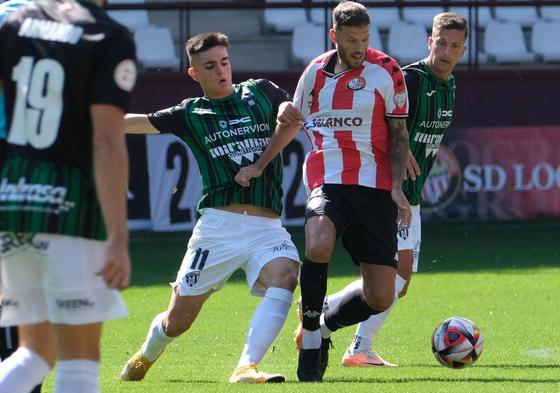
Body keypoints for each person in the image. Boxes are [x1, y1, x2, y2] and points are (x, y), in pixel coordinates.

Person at [235, 1, 411, 382]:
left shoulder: (387, 71)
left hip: (374, 187)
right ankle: (311, 337)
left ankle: (326, 323)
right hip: (327, 178)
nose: (360, 46)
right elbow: (292, 122)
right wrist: (260, 164)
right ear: (334, 36)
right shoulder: (314, 72)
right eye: (351, 39)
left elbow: (398, 133)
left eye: (365, 38)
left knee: (382, 295)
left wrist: (397, 188)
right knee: (317, 243)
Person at [118, 32, 301, 384]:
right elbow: (136, 122)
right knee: (178, 321)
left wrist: (283, 108)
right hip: (217, 228)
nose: (221, 71)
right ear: (194, 74)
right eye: (210, 66)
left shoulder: (261, 91)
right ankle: (146, 354)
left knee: (287, 275)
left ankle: (246, 366)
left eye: (225, 63)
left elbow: (287, 113)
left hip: (267, 225)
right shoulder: (190, 113)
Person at [0, 0, 136, 391]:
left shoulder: (16, 22)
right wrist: (119, 239)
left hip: (15, 202)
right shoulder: (108, 35)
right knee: (79, 365)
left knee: (35, 353)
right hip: (70, 208)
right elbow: (106, 141)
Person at [323, 12, 468, 368]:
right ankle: (348, 337)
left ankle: (332, 318)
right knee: (395, 276)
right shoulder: (410, 80)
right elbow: (375, 123)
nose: (446, 51)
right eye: (441, 42)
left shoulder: (449, 86)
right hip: (386, 192)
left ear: (463, 50)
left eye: (455, 46)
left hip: (411, 197)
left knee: (399, 285)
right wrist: (396, 157)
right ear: (429, 41)